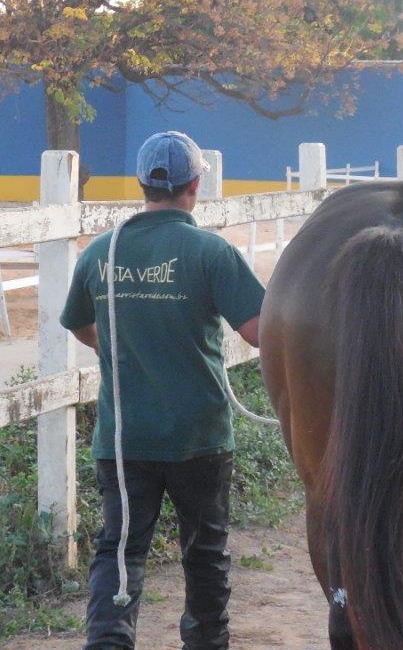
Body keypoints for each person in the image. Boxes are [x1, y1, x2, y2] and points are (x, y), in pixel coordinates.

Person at [60, 131, 266, 650]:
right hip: (200, 435)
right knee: (205, 553)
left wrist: (118, 346)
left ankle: (107, 643)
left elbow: (79, 323)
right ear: (196, 184)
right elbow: (262, 331)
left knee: (119, 553)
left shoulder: (101, 251)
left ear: (141, 183)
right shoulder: (211, 252)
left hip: (125, 436)